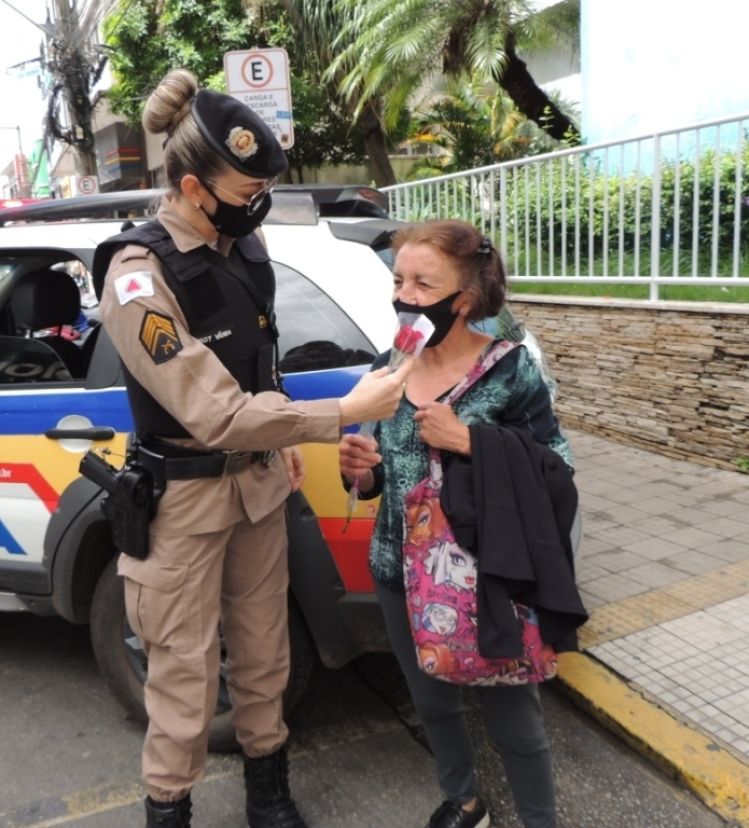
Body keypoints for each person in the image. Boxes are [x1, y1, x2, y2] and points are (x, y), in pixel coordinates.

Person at [94, 69, 411, 828]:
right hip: (187, 500)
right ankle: (168, 809)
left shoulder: (242, 245)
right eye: (244, 193)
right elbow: (210, 411)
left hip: (259, 485)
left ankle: (269, 793)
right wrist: (335, 414)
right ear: (195, 187)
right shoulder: (137, 278)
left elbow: (255, 362)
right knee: (183, 672)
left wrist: (279, 442)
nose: (257, 205)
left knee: (265, 654)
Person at [339, 220, 577, 828]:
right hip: (398, 568)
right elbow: (382, 478)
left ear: (463, 300)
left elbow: (558, 469)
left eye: (423, 283)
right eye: (398, 281)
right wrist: (362, 474)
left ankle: (539, 819)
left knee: (512, 715)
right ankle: (465, 799)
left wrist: (469, 440)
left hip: (488, 573)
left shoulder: (510, 368)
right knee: (431, 700)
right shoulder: (388, 366)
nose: (405, 295)